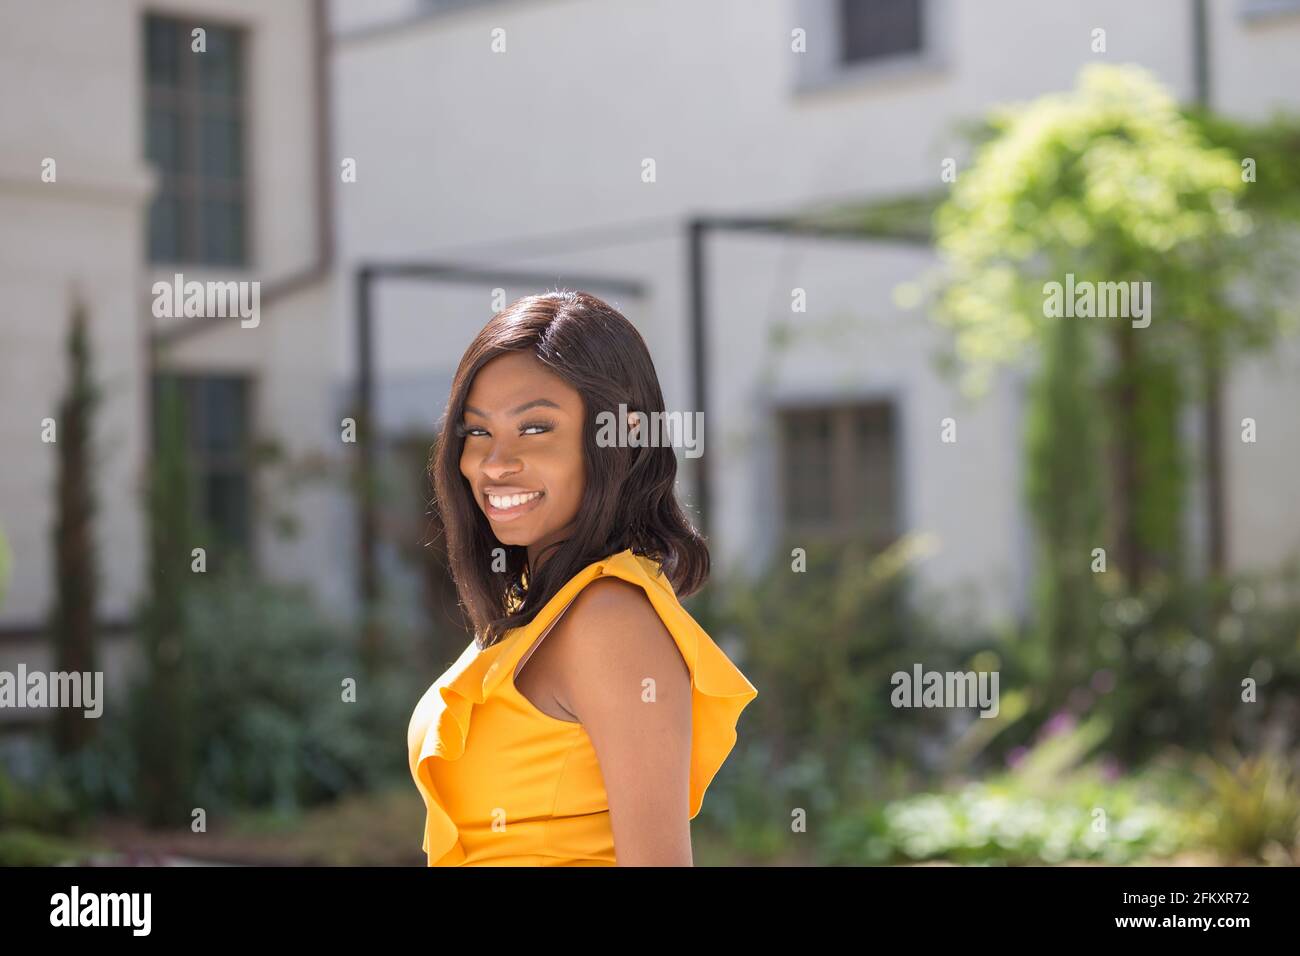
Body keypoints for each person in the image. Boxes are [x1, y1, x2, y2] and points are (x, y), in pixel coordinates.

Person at [407, 289, 758, 866]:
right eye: (476, 433)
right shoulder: (535, 606)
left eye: (535, 428)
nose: (495, 462)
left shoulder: (610, 620)